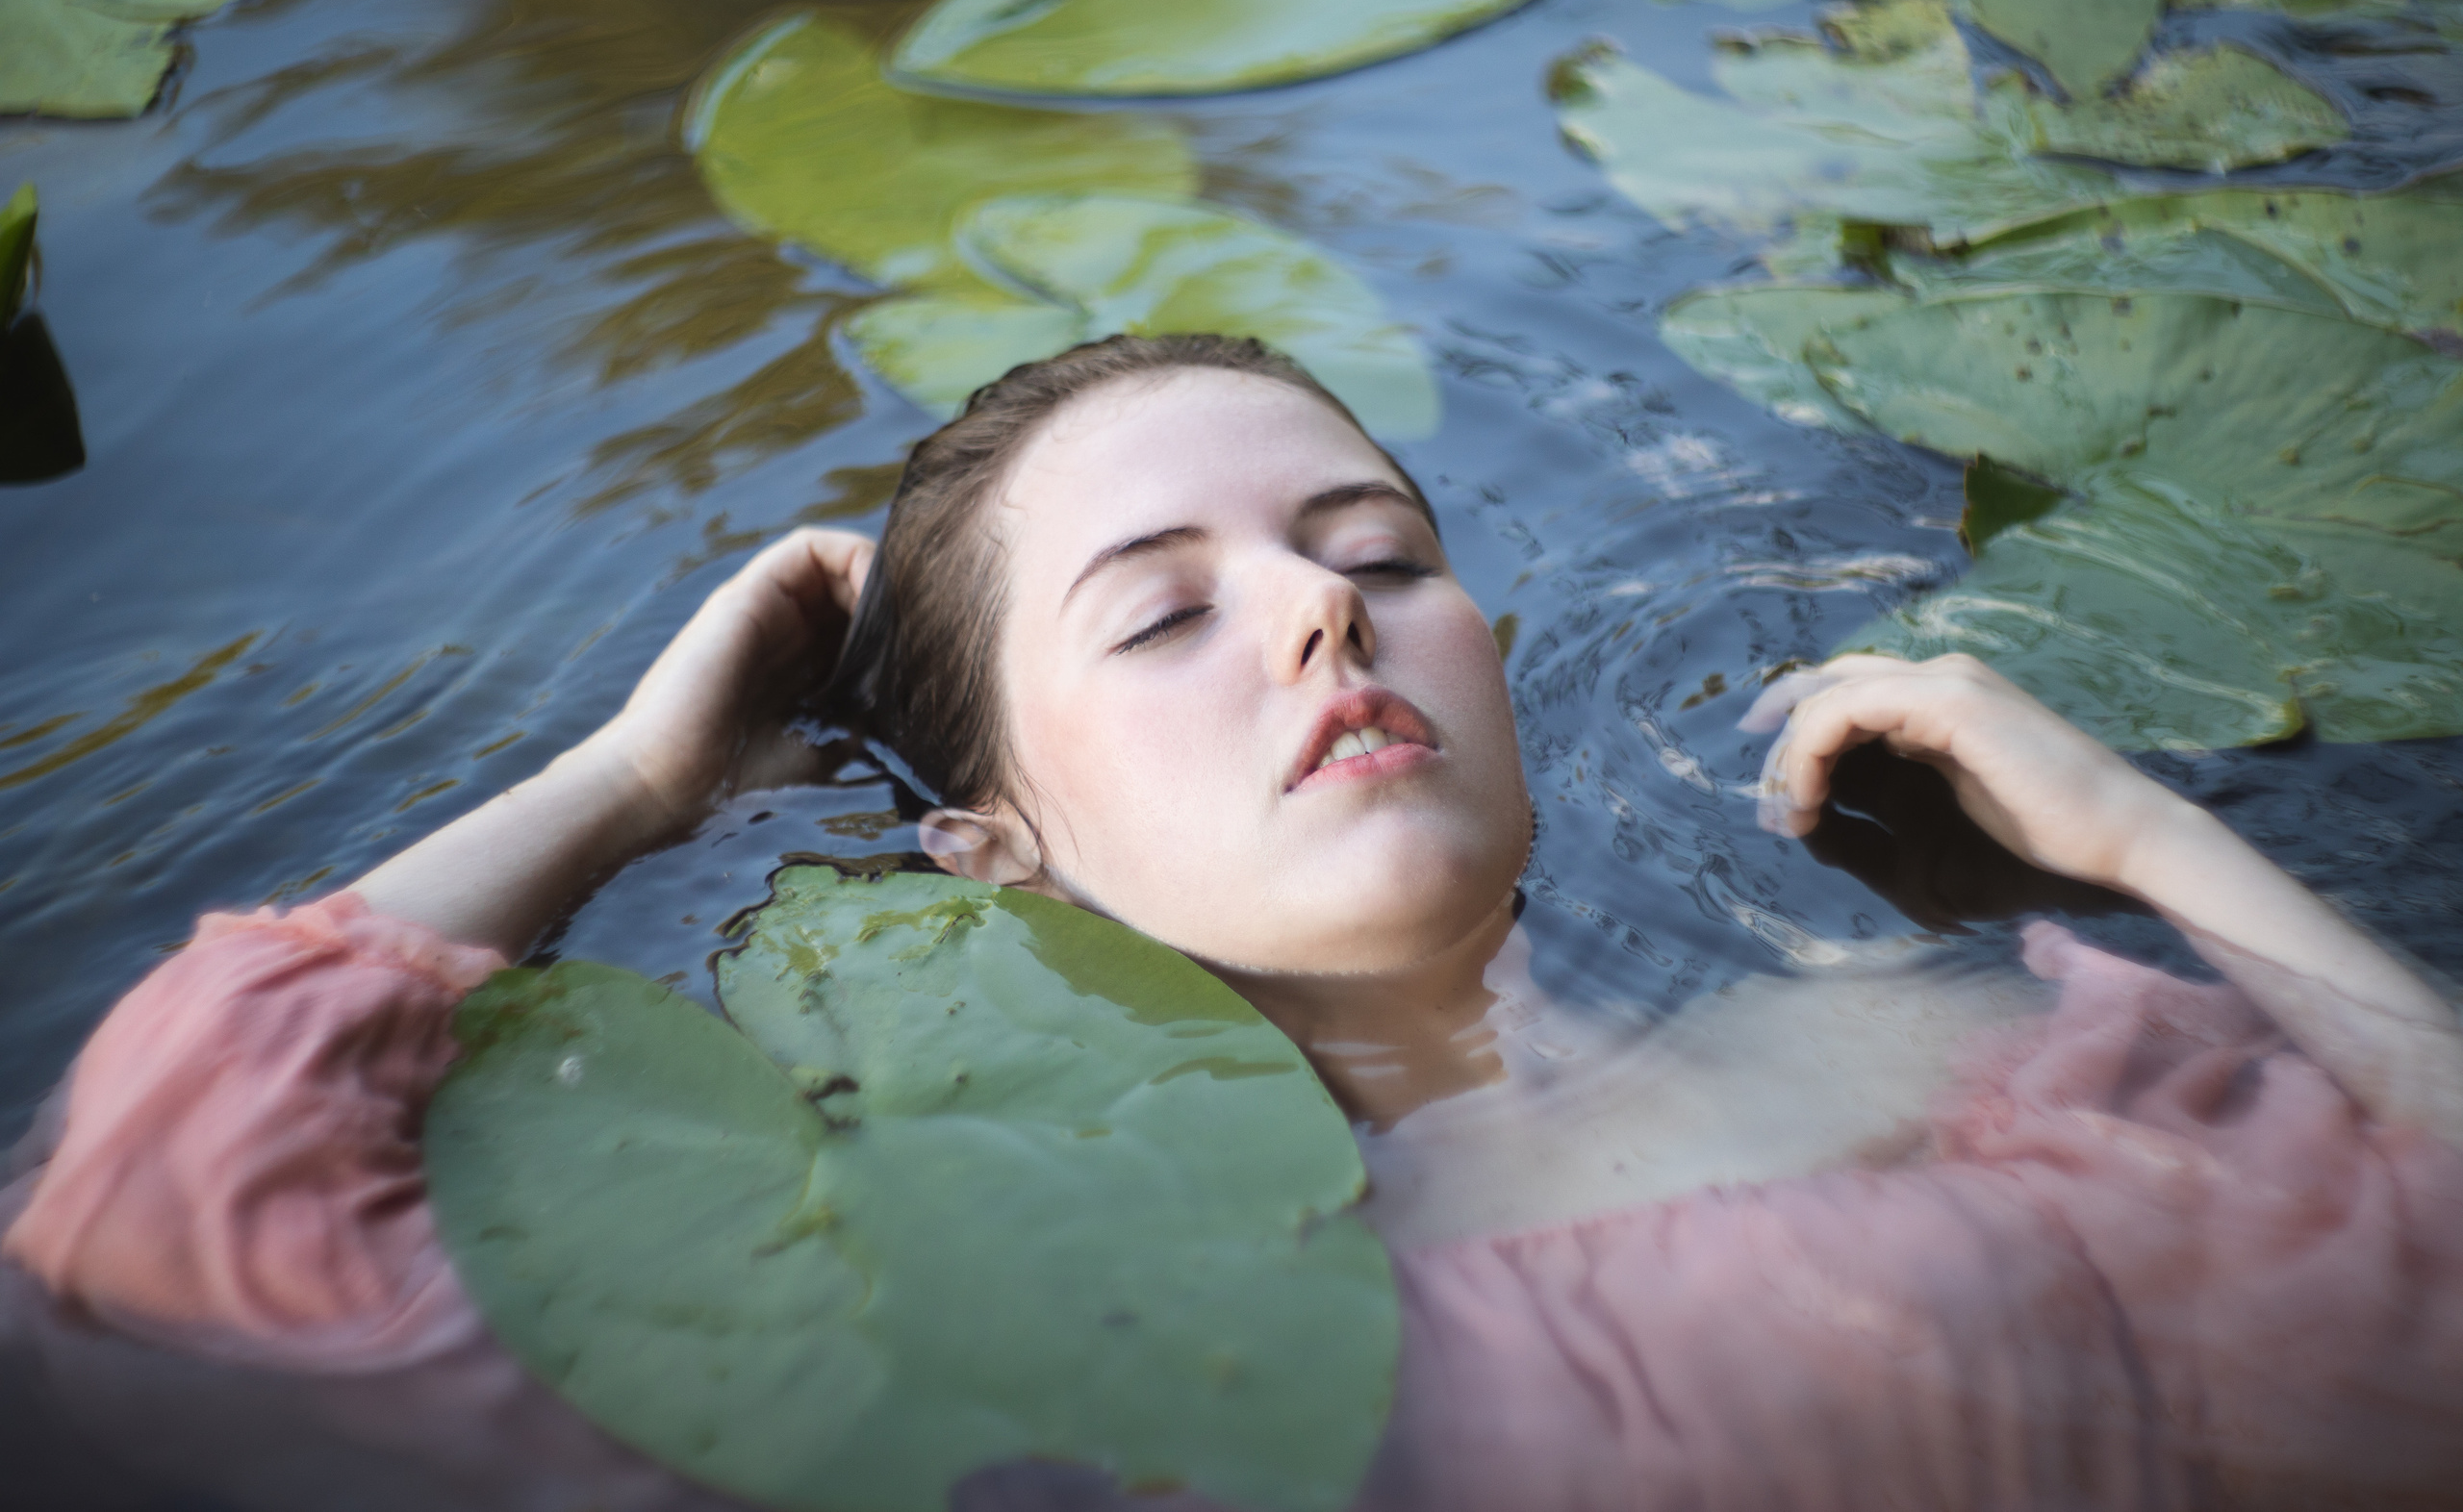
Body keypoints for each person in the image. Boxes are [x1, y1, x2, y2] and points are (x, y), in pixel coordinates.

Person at [6, 334, 2461, 1511]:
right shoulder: (931, 1320)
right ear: (996, 840)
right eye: (1158, 616)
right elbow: (161, 1234)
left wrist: (2139, 840)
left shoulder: (1952, 1083)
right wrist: (637, 781)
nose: (1316, 617)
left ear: (1490, 660)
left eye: (1375, 557)